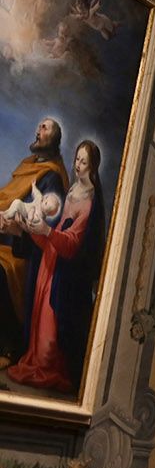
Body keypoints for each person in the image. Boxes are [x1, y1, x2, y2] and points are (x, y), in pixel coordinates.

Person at [5, 139, 105, 395]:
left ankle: (47, 369)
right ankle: (36, 362)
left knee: (50, 332)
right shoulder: (72, 192)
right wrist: (29, 228)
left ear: (93, 167)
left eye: (84, 162)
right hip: (50, 263)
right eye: (77, 160)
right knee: (39, 321)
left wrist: (46, 230)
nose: (78, 166)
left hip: (64, 271)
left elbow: (71, 244)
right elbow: (55, 232)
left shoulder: (91, 201)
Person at [0, 118, 67, 368]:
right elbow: (7, 200)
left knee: (1, 272)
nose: (38, 130)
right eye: (39, 126)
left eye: (45, 128)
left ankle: (9, 347)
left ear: (54, 141)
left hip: (30, 257)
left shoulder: (52, 178)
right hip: (8, 242)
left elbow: (49, 228)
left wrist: (17, 231)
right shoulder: (26, 166)